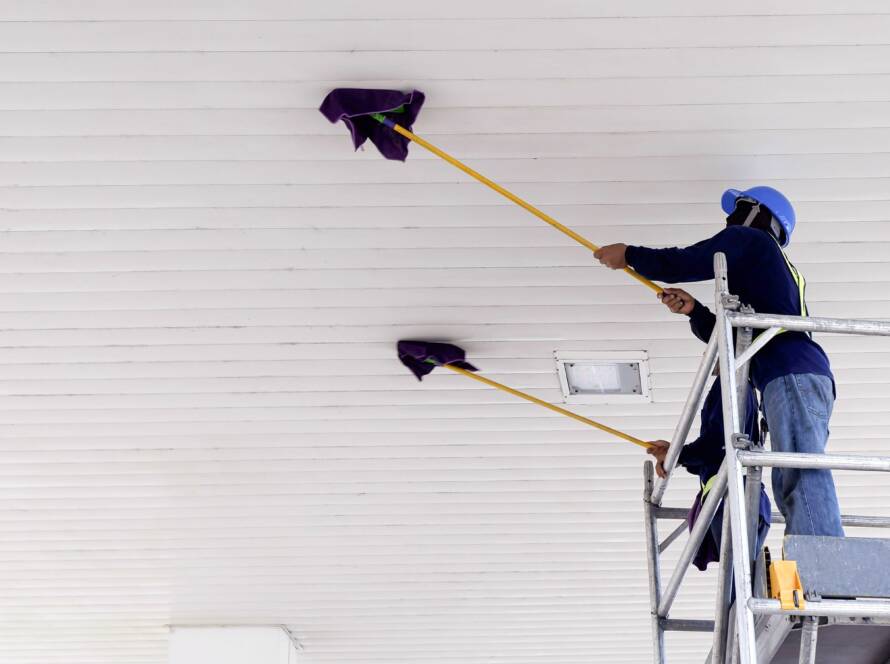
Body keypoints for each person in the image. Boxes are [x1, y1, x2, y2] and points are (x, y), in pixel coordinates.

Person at [595, 186, 844, 537]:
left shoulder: (752, 240)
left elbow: (690, 260)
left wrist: (630, 255)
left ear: (759, 214)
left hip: (788, 371)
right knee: (793, 469)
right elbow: (739, 338)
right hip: (796, 372)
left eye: (739, 208)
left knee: (797, 470)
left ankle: (821, 553)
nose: (731, 219)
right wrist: (694, 311)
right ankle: (816, 550)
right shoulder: (771, 274)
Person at [648, 377, 770, 570]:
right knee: (740, 578)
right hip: (740, 497)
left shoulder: (729, 383)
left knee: (737, 578)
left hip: (731, 498)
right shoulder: (739, 387)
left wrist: (678, 454)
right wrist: (676, 455)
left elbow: (716, 444)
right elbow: (719, 453)